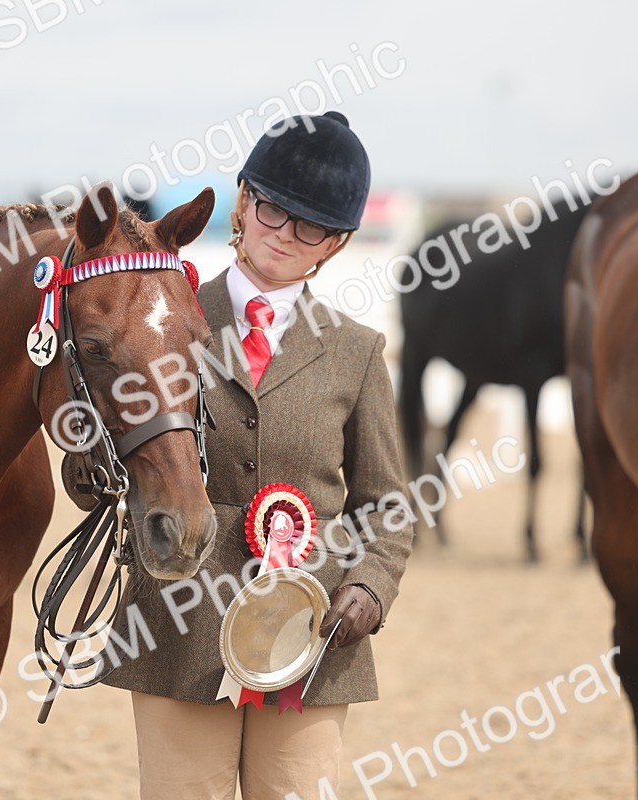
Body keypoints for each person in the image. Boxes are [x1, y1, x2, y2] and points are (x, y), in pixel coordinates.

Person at [103, 110, 414, 800]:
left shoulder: (358, 354)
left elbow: (389, 506)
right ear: (244, 201)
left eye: (311, 228)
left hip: (309, 630)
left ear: (334, 244)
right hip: (178, 621)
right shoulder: (167, 324)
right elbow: (111, 452)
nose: (284, 237)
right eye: (273, 211)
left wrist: (369, 587)